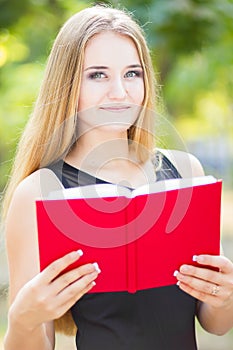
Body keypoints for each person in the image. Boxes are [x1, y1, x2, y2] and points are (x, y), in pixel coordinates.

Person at [2, 5, 233, 350]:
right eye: (98, 75)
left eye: (132, 74)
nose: (120, 93)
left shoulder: (186, 174)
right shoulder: (39, 193)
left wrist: (225, 295)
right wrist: (23, 315)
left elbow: (215, 324)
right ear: (68, 85)